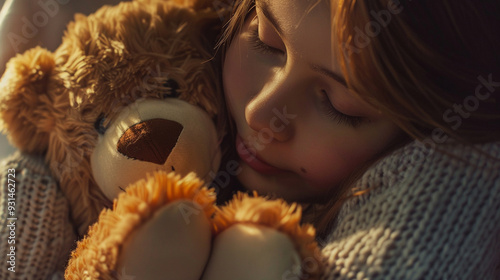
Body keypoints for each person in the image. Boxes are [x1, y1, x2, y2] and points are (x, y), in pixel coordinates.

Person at [1, 0, 499, 279]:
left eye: (340, 105)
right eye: (265, 39)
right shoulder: (180, 54)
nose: (264, 112)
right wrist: (26, 177)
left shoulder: (448, 187)